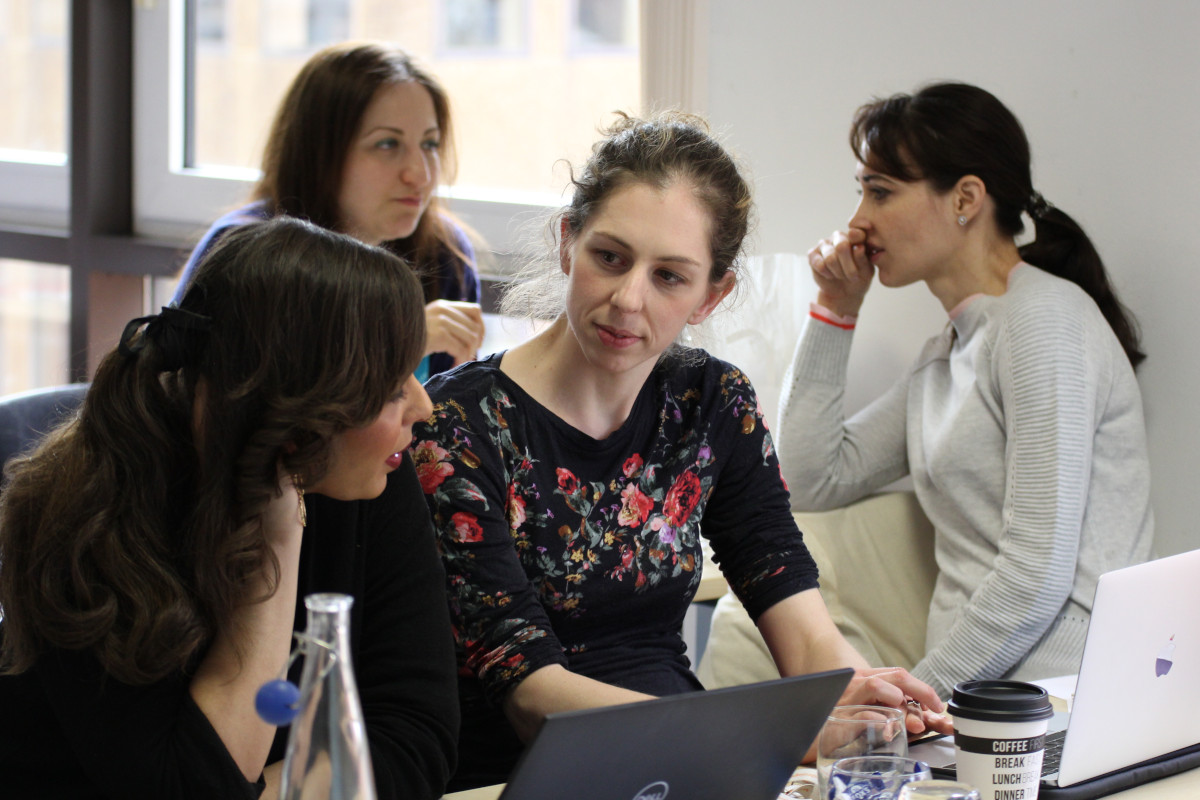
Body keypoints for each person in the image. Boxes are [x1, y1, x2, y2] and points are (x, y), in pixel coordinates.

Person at [409, 111, 950, 790]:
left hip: (689, 766)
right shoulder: (457, 425)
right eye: (610, 257)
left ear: (711, 294)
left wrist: (862, 699)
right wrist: (751, 739)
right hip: (510, 779)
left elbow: (797, 614)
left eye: (669, 276)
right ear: (566, 243)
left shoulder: (712, 401)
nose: (628, 299)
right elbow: (532, 696)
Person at [0, 218, 459, 800]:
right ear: (301, 413)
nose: (425, 407)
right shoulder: (87, 519)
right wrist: (280, 537)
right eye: (393, 388)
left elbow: (419, 738)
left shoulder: (371, 471)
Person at [777, 82, 1154, 699]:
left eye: (880, 192)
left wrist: (914, 701)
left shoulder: (1043, 322)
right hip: (978, 698)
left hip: (1058, 698)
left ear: (966, 199)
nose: (857, 221)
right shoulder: (948, 353)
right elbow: (811, 478)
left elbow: (1036, 574)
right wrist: (834, 309)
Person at [172, 41, 485, 381]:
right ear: (319, 153)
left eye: (430, 144)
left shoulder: (443, 256)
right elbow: (240, 417)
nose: (420, 174)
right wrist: (402, 342)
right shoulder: (245, 252)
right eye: (387, 144)